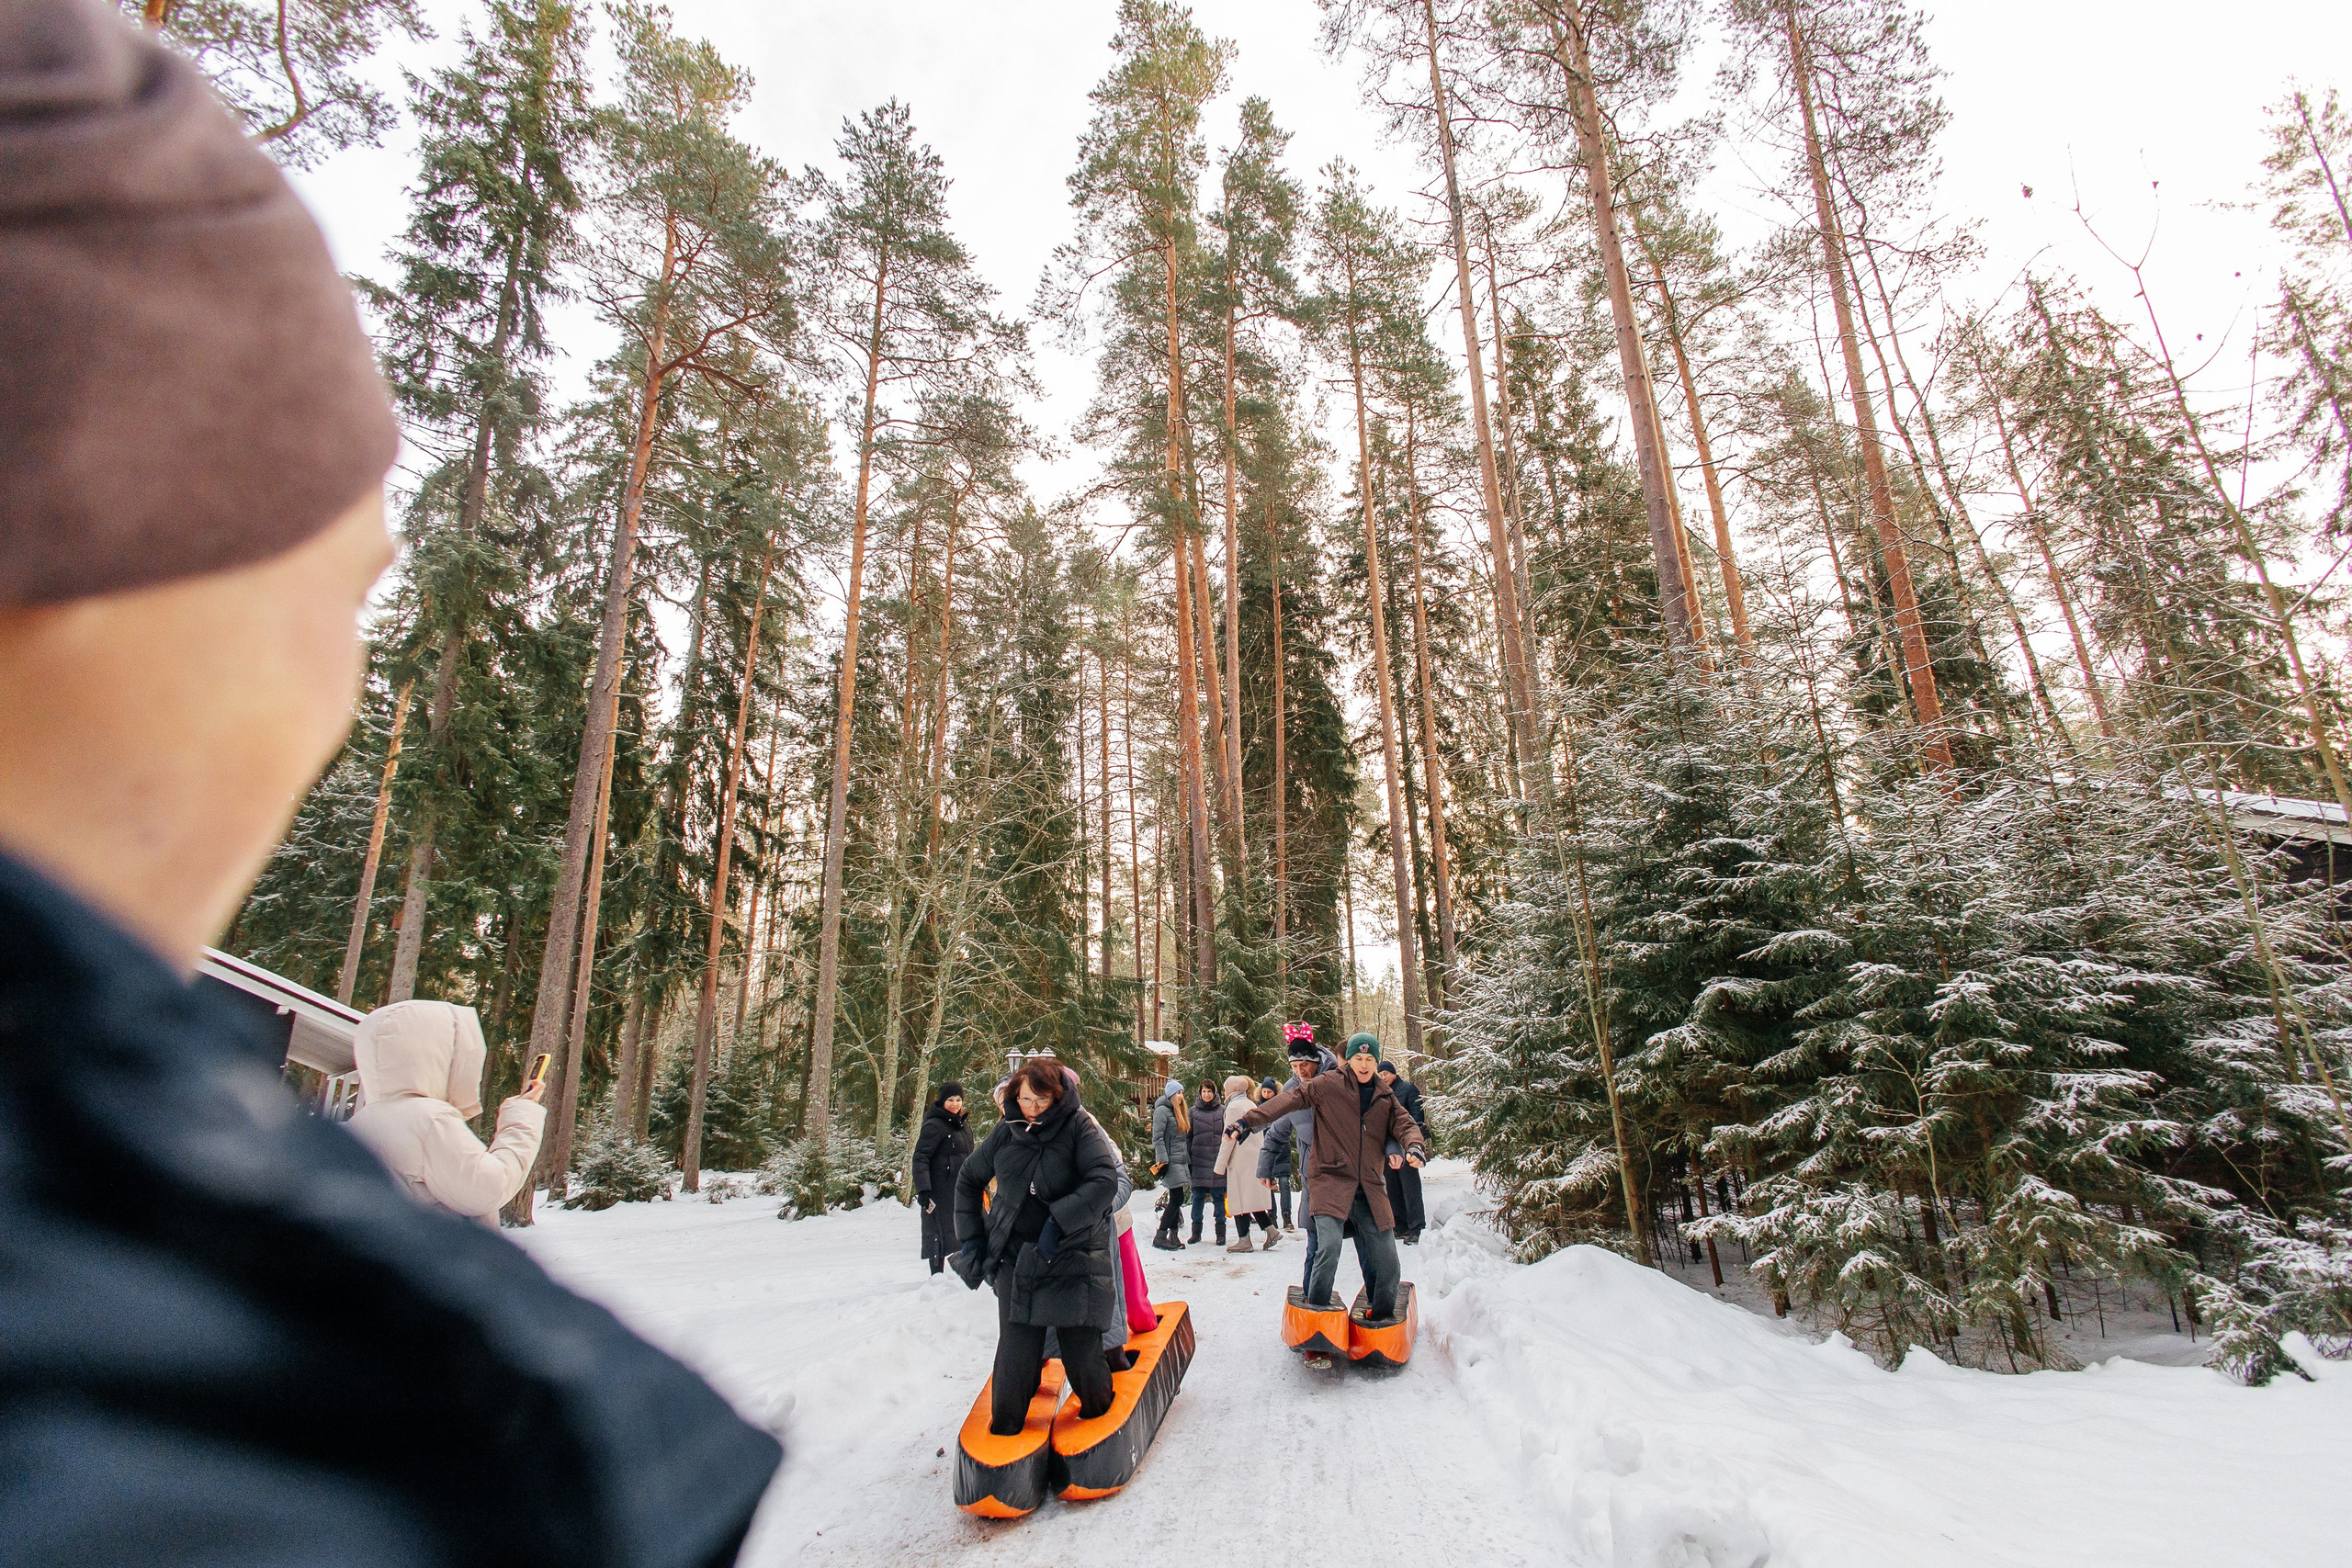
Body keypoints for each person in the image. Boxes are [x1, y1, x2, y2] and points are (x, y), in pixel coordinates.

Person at [0, 5, 783, 1560]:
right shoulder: (233, 1427)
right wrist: (530, 1125)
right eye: (341, 594)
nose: (347, 688)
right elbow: (491, 1180)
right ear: (105, 562)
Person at [1228, 1032, 1425, 1364]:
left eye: (1370, 1060)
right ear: (1349, 1060)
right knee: (1328, 1246)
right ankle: (1316, 1315)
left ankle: (1381, 1317)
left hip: (1368, 1187)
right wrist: (1248, 1121)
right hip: (1330, 1180)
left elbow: (1404, 1124)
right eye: (1358, 1059)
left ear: (1377, 1063)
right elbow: (1288, 1100)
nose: (1364, 1065)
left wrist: (1414, 1146)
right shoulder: (1330, 1084)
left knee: (1388, 1259)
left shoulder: (1383, 1094)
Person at [952, 1061, 1119, 1436]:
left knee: (1080, 1351)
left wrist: (1059, 1220)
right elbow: (968, 1179)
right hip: (1018, 1257)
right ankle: (1007, 1429)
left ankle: (1100, 1413)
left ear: (1057, 1096)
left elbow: (1104, 1180)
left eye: (1040, 1100)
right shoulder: (1006, 1131)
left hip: (1072, 1253)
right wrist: (975, 1237)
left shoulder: (1079, 1127)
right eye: (1024, 1099)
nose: (1031, 1108)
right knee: (1016, 1351)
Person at [346, 999, 545, 1223]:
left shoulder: (362, 1120)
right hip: (444, 1255)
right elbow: (488, 1190)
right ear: (439, 1055)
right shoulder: (430, 1119)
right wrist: (521, 1116)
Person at [1261, 1028, 1334, 1286]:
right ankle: (1311, 1296)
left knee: (1359, 1241)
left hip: (1343, 1173)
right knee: (1314, 1243)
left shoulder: (1338, 1080)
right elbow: (1277, 1129)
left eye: (1305, 1064)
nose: (1300, 1071)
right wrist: (1265, 1168)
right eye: (1294, 1065)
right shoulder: (1292, 1089)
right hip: (1312, 1173)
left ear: (1315, 1061)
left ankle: (1376, 1299)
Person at [1214, 1074, 1279, 1253]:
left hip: (1239, 1158)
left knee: (1240, 1201)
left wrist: (1220, 1165)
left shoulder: (1233, 1107)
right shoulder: (1250, 1104)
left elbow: (1228, 1137)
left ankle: (1244, 1240)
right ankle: (1271, 1231)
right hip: (1255, 1157)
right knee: (1251, 1199)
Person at [913, 1082, 973, 1274]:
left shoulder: (963, 1125)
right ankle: (937, 1276)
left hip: (962, 1187)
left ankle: (966, 1275)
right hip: (939, 1188)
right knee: (939, 1233)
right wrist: (923, 1188)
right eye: (950, 1100)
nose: (955, 1104)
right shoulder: (934, 1125)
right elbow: (921, 1157)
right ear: (942, 1101)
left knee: (967, 1230)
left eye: (958, 1100)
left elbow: (971, 1157)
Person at [1376, 1059, 1430, 1244]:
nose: (1383, 1077)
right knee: (1392, 1186)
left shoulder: (1408, 1089)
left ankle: (1416, 1226)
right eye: (1380, 1075)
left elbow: (1417, 1116)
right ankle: (1400, 1225)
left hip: (1406, 1144)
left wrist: (1413, 1140)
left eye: (1386, 1074)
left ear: (1394, 1073)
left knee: (1410, 1186)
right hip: (1388, 1146)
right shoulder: (1381, 1092)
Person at [1148, 1076, 1191, 1250]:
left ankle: (1173, 1236)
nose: (1181, 1096)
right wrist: (1163, 1159)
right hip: (1170, 1161)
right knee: (1177, 1198)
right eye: (1177, 1093)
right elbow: (1157, 1138)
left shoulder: (1177, 1112)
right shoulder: (1162, 1111)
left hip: (1179, 1161)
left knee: (1176, 1197)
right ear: (1171, 1095)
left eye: (1182, 1092)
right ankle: (1161, 1235)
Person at [1185, 1078, 1227, 1246]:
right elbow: (1188, 1137)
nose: (1207, 1094)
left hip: (1217, 1161)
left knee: (1218, 1197)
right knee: (1198, 1197)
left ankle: (1221, 1232)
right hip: (1198, 1161)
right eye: (1204, 1091)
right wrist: (1189, 1157)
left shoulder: (1222, 1111)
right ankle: (1196, 1232)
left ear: (1214, 1092)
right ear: (1200, 1093)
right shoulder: (1193, 1112)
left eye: (1209, 1091)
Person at [1256, 1077, 1294, 1233]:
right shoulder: (1258, 1108)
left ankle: (1287, 1215)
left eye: (1269, 1091)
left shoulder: (1281, 1106)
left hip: (1282, 1149)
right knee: (1268, 1184)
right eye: (1264, 1091)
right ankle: (1272, 1215)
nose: (1266, 1094)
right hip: (1266, 1150)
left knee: (1284, 1183)